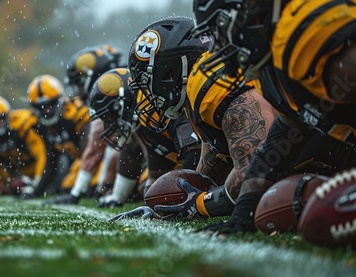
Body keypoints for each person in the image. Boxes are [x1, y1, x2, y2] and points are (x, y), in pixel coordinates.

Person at [191, 0, 356, 234]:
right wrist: (244, 214)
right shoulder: (271, 67)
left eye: (219, 30)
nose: (215, 48)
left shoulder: (302, 32)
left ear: (250, 14)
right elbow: (278, 146)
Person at [110, 15, 276, 221]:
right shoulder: (195, 98)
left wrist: (201, 205)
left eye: (148, 82)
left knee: (279, 204)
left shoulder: (209, 83)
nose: (149, 95)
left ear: (171, 72)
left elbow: (259, 169)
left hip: (321, 165)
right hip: (301, 160)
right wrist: (161, 210)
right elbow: (205, 179)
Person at [88, 68, 202, 207]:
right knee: (150, 192)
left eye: (110, 116)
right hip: (186, 165)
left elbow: (196, 152)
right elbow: (155, 175)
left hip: (217, 165)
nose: (109, 124)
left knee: (155, 190)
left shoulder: (165, 108)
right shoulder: (144, 122)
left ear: (123, 104)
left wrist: (185, 192)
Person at [45, 45, 126, 204]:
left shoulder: (117, 94)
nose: (78, 91)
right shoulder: (119, 90)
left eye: (80, 84)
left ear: (93, 77)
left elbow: (95, 148)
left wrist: (77, 193)